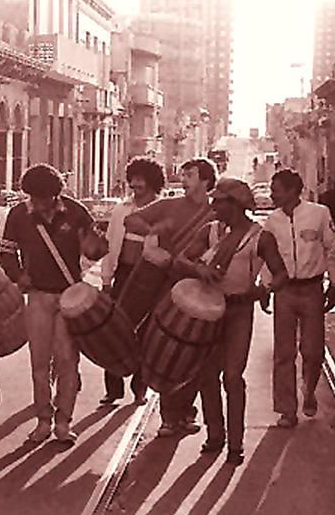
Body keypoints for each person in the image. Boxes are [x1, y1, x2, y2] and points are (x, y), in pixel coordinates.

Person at [176, 178, 288, 465]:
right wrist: (200, 271)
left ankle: (235, 443)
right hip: (208, 309)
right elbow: (181, 260)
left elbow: (280, 274)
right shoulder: (210, 231)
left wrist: (263, 290)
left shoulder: (259, 237)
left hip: (239, 310)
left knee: (233, 376)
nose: (213, 205)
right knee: (206, 374)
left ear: (236, 205)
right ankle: (216, 435)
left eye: (220, 201)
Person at [0, 163, 108, 445]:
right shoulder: (18, 215)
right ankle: (43, 420)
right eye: (33, 197)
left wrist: (96, 243)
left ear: (55, 194)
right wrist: (18, 274)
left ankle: (63, 422)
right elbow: (7, 254)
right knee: (38, 362)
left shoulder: (76, 212)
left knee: (67, 361)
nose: (38, 203)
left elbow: (95, 251)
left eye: (43, 198)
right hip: (37, 296)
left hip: (69, 297)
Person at [124, 157, 218, 438]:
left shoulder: (217, 211)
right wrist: (154, 229)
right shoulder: (171, 205)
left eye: (189, 174)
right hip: (168, 288)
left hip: (203, 290)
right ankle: (168, 416)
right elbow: (132, 219)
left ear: (205, 180)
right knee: (169, 349)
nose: (183, 179)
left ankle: (187, 412)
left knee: (196, 351)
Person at [262, 170, 335, 428]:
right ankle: (286, 410)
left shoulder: (319, 214)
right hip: (284, 291)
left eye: (277, 189)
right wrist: (265, 287)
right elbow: (266, 256)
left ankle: (309, 391)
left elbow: (331, 248)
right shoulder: (272, 220)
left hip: (312, 289)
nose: (273, 194)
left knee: (313, 350)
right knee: (284, 353)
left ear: (293, 190)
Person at [99, 157, 165, 405]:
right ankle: (113, 388)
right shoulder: (121, 209)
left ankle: (140, 388)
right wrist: (106, 281)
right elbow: (109, 245)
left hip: (150, 280)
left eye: (141, 180)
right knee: (114, 331)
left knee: (146, 334)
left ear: (152, 182)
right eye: (133, 179)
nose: (135, 184)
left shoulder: (162, 209)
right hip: (124, 275)